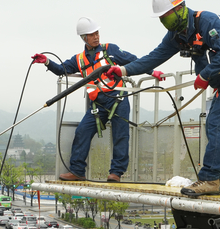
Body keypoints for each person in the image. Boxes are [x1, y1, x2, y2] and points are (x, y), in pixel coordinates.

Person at [106, 0, 220, 195]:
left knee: (217, 123)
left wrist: (205, 75)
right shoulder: (176, 36)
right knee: (215, 126)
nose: (164, 22)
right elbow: (153, 58)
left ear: (180, 8)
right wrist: (123, 70)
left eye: (166, 16)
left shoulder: (207, 21)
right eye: (161, 18)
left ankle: (210, 179)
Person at [32, 17, 164, 183]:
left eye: (97, 33)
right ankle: (77, 171)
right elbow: (62, 70)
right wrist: (47, 62)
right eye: (91, 34)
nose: (96, 36)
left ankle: (116, 172)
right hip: (98, 104)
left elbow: (134, 61)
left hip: (118, 98)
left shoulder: (111, 50)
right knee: (82, 132)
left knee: (120, 135)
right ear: (83, 38)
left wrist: (153, 72)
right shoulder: (79, 59)